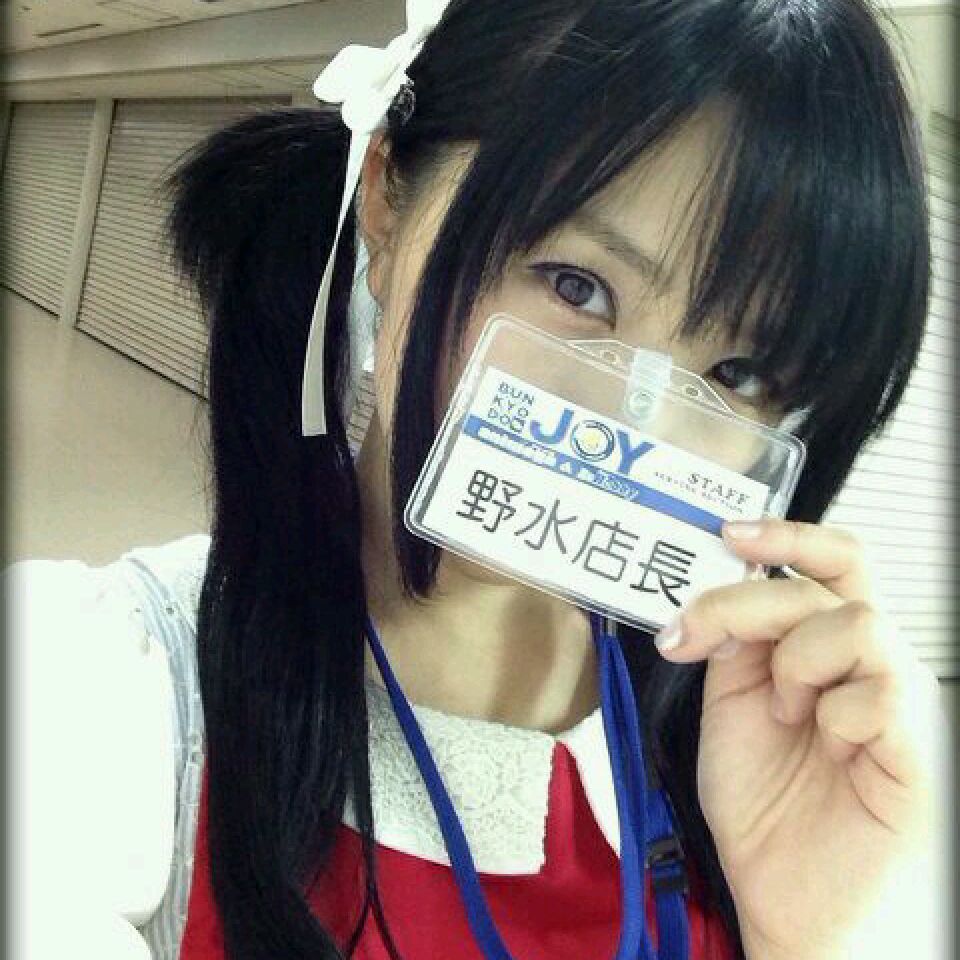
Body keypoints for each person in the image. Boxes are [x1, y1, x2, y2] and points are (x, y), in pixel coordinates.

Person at [5, 0, 951, 958]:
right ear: (385, 201)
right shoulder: (93, 693)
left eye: (737, 373)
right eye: (576, 285)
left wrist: (807, 935)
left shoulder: (770, 745)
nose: (634, 427)